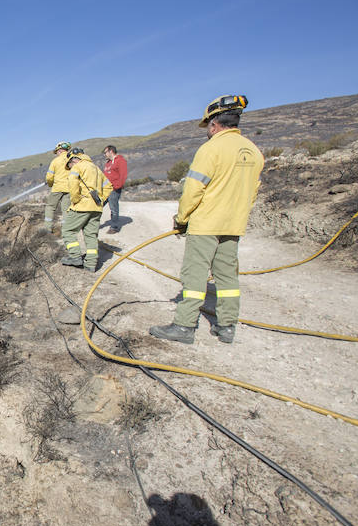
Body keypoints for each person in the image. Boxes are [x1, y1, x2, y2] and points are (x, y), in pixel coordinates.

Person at [149, 95, 263, 344]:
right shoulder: (253, 151)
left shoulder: (211, 149)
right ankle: (227, 326)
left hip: (206, 224)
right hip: (233, 224)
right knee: (227, 277)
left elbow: (193, 190)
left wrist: (182, 218)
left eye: (207, 127)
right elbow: (252, 192)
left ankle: (184, 326)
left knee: (195, 275)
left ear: (213, 124)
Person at [60, 148, 114, 272]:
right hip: (96, 208)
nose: (70, 167)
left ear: (73, 160)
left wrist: (75, 200)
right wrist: (100, 199)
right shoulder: (96, 169)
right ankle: (91, 263)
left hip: (82, 206)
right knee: (91, 235)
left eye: (69, 165)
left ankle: (75, 256)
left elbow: (73, 185)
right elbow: (108, 186)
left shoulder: (77, 167)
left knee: (67, 230)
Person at [44, 142, 72, 231]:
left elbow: (49, 177)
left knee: (50, 207)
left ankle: (48, 228)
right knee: (66, 209)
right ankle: (66, 230)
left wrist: (50, 184)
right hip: (69, 188)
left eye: (56, 152)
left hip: (57, 188)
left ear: (59, 151)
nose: (56, 154)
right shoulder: (71, 160)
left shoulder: (55, 161)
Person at [102, 145, 128, 233]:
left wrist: (117, 186)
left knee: (113, 208)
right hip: (105, 190)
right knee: (98, 206)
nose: (104, 154)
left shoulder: (120, 161)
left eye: (105, 152)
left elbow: (123, 175)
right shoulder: (108, 163)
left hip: (114, 189)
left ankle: (114, 227)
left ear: (111, 151)